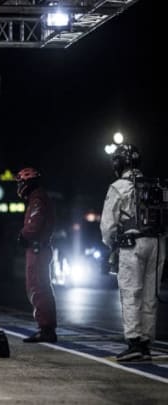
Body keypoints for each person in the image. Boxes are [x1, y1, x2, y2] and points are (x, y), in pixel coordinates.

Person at [100, 144, 166, 362]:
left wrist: (111, 244)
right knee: (150, 295)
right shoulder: (154, 184)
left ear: (119, 164)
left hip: (132, 244)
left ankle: (134, 342)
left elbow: (108, 225)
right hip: (157, 242)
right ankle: (147, 343)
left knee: (131, 293)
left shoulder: (118, 187)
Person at [16, 167, 57, 343]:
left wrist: (23, 235)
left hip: (37, 249)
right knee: (41, 287)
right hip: (40, 248)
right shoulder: (39, 197)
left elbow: (35, 222)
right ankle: (46, 327)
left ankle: (46, 329)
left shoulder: (37, 199)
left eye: (21, 182)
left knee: (37, 287)